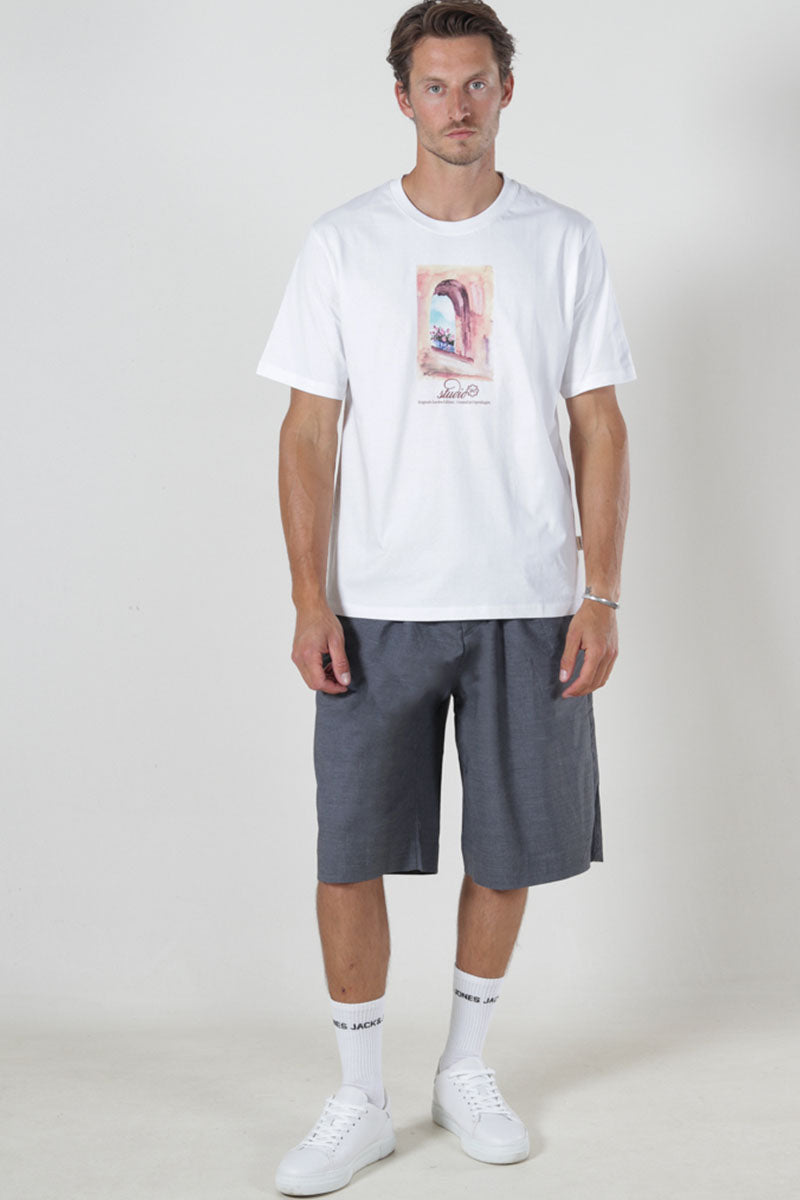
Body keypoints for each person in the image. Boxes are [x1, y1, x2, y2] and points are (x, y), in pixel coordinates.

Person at [255, 1, 636, 1193]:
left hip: (528, 596)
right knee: (348, 847)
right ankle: (359, 1097)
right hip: (377, 600)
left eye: (476, 83)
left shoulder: (561, 240)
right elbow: (307, 430)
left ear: (505, 90)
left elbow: (598, 422)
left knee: (509, 842)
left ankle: (463, 1067)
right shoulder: (342, 242)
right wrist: (309, 598)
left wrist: (600, 591)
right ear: (401, 97)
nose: (456, 106)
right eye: (435, 85)